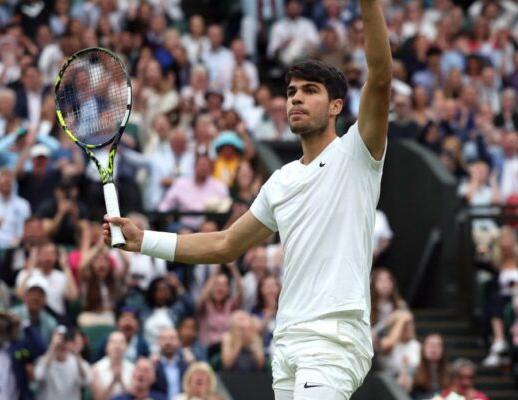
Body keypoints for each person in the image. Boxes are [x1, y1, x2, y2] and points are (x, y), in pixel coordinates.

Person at [104, 1, 392, 398]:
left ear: (336, 107)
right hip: (288, 340)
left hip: (332, 338)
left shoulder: (357, 154)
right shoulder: (281, 181)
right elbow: (225, 245)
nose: (296, 99)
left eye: (310, 92)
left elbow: (379, 77)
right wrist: (143, 241)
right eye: (291, 92)